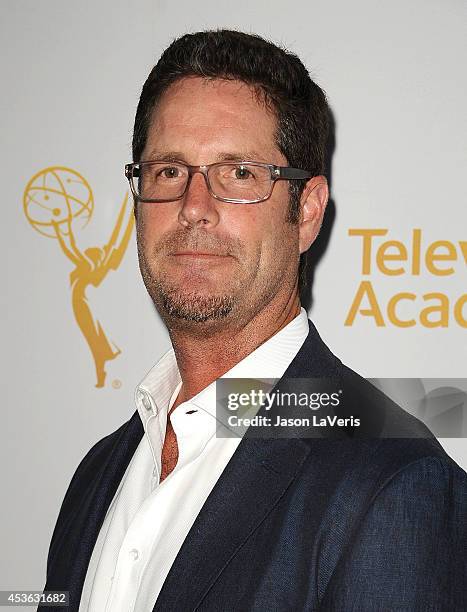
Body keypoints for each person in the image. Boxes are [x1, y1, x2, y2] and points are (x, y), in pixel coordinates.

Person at [42, 30, 467, 611]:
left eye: (238, 174)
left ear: (307, 214)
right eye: (169, 171)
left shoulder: (392, 487)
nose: (194, 206)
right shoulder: (97, 476)